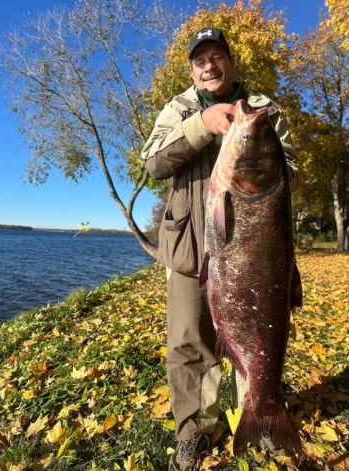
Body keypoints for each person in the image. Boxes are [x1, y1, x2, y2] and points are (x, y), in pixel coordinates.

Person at [141, 27, 298, 471]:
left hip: (257, 248)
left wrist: (251, 141)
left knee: (257, 332)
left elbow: (292, 169)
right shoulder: (178, 108)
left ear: (230, 62)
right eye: (199, 60)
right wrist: (202, 126)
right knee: (190, 343)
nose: (208, 66)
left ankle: (259, 416)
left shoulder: (263, 109)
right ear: (192, 69)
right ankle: (193, 431)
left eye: (216, 57)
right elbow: (152, 163)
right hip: (190, 247)